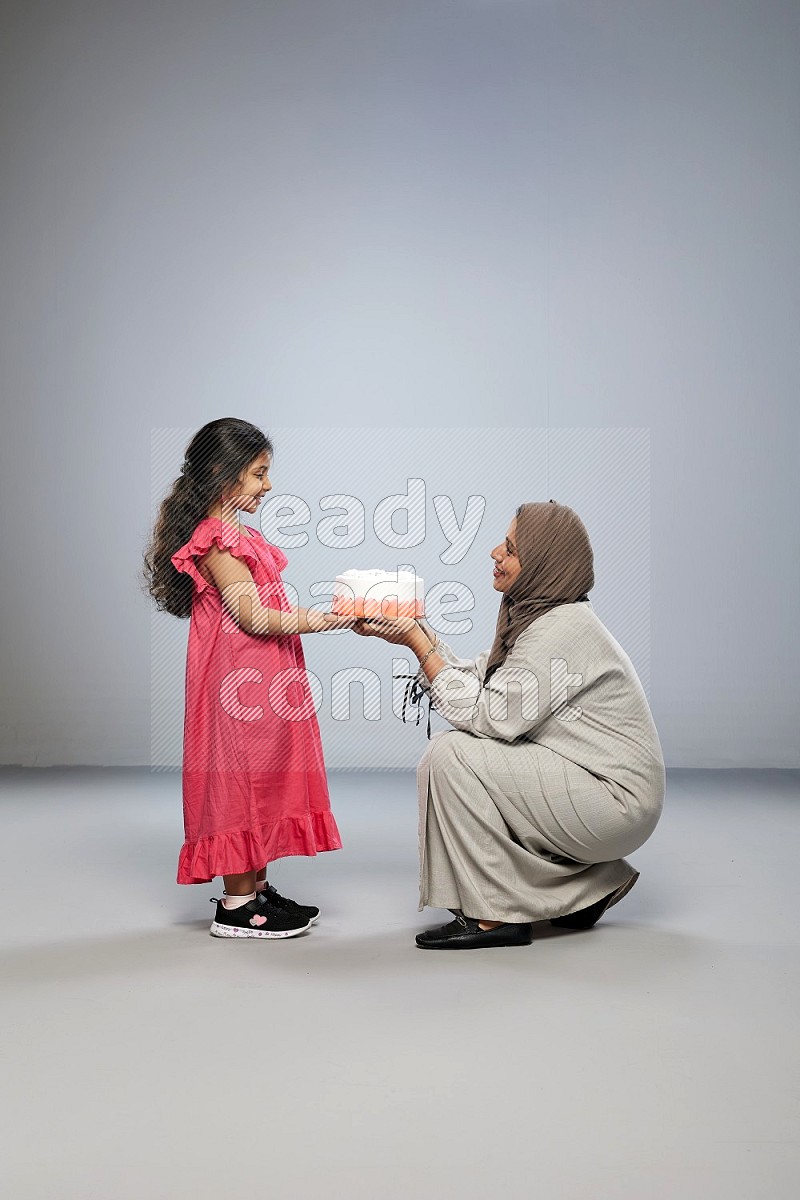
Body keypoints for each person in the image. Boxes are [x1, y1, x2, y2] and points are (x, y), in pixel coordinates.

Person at [354, 500, 665, 950]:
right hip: (600, 788)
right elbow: (477, 677)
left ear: (543, 563)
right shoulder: (541, 618)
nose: (495, 552)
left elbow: (489, 716)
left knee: (451, 755)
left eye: (512, 548)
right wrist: (415, 631)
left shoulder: (561, 629)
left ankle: (494, 917)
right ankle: (583, 894)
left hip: (615, 803)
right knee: (465, 754)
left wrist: (420, 645)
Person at [143, 418, 353, 939]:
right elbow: (254, 618)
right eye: (259, 474)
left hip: (262, 682)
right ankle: (236, 907)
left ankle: (256, 888)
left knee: (264, 777)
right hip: (238, 686)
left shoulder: (239, 533)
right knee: (240, 781)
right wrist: (328, 617)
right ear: (222, 473)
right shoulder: (216, 540)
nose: (268, 485)